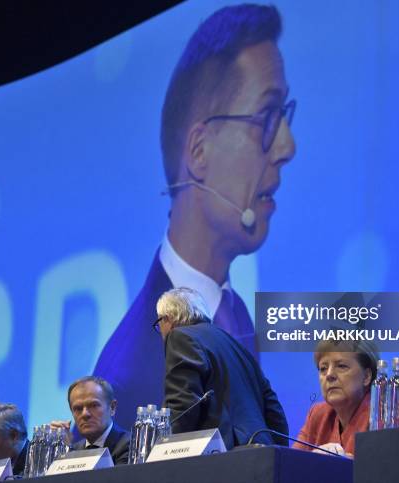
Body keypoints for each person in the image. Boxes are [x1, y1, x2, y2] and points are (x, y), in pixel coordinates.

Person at [93, 3, 297, 428]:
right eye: (266, 118)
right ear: (199, 152)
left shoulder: (234, 312)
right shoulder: (129, 365)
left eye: (284, 116)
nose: (287, 147)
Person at [157, 287, 289, 449]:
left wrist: (165, 451)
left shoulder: (180, 336)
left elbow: (183, 403)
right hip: (260, 452)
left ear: (167, 319)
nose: (161, 332)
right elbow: (273, 406)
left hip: (222, 455)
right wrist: (277, 451)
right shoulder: (235, 344)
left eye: (159, 324)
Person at [293, 340, 379, 457]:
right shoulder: (318, 415)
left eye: (341, 366)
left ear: (366, 376)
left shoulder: (382, 416)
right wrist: (313, 458)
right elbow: (291, 463)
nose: (329, 375)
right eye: (323, 368)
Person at [50, 376, 129, 465]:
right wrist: (62, 451)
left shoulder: (129, 445)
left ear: (112, 407)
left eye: (94, 405)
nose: (85, 414)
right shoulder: (74, 449)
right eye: (78, 408)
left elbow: (113, 479)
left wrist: (69, 456)